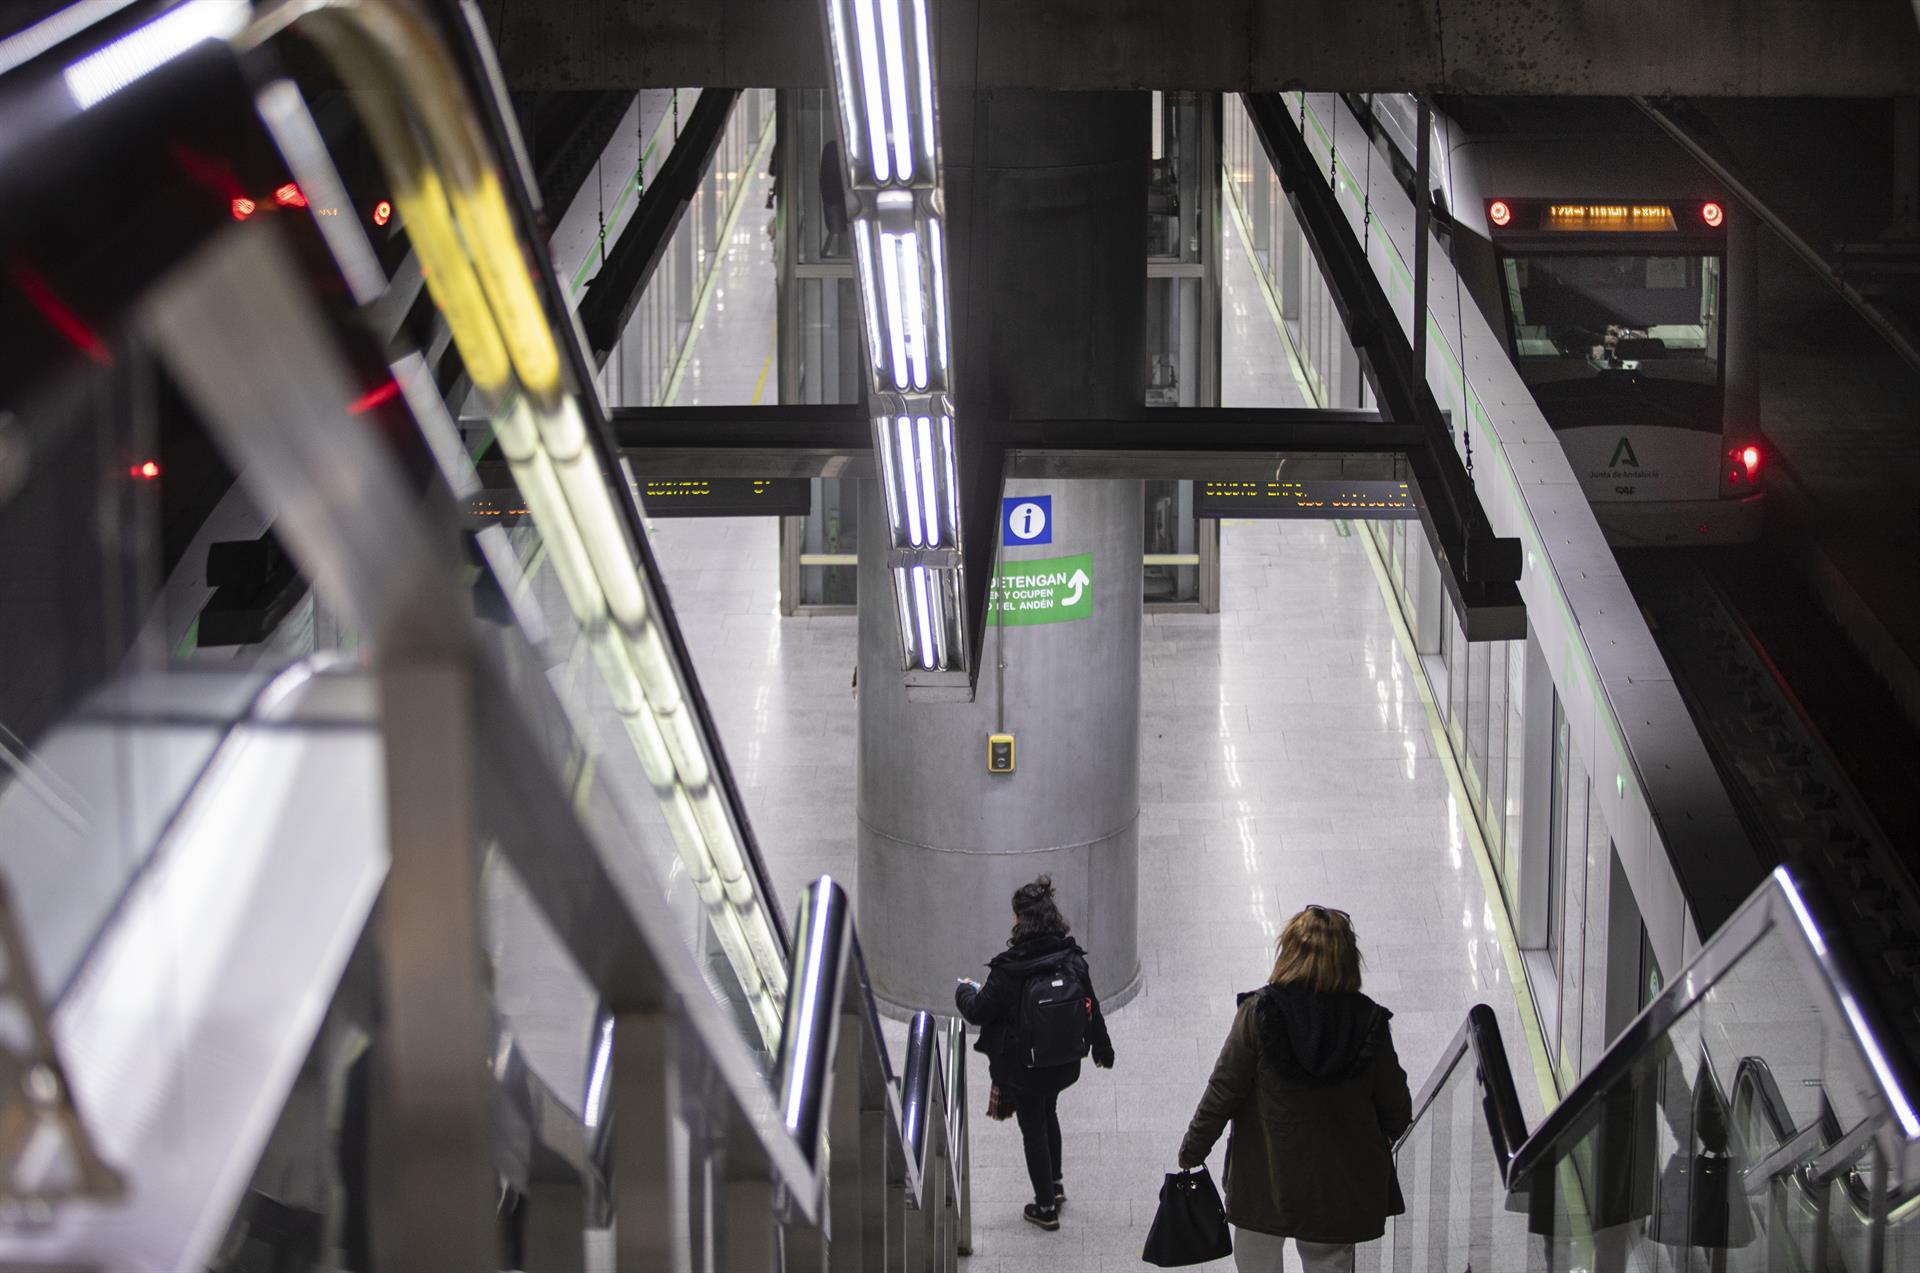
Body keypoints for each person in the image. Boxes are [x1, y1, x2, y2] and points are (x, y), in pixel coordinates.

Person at [1176, 905, 1413, 1273]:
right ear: (1347, 960)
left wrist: (1193, 1148)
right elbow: (1395, 1106)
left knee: (1257, 1257)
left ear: (1288, 953)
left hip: (1264, 1177)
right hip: (1337, 1186)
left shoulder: (1259, 1014)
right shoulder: (1368, 1022)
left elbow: (1223, 1090)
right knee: (1329, 1261)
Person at [955, 875, 1115, 1231]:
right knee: (1049, 1112)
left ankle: (1045, 1208)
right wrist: (1103, 1051)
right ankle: (1055, 1185)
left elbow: (979, 1010)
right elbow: (1092, 1006)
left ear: (1021, 920)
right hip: (1062, 1063)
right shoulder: (1071, 959)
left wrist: (963, 992)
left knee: (1033, 1129)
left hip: (1024, 1069)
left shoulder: (1009, 969)